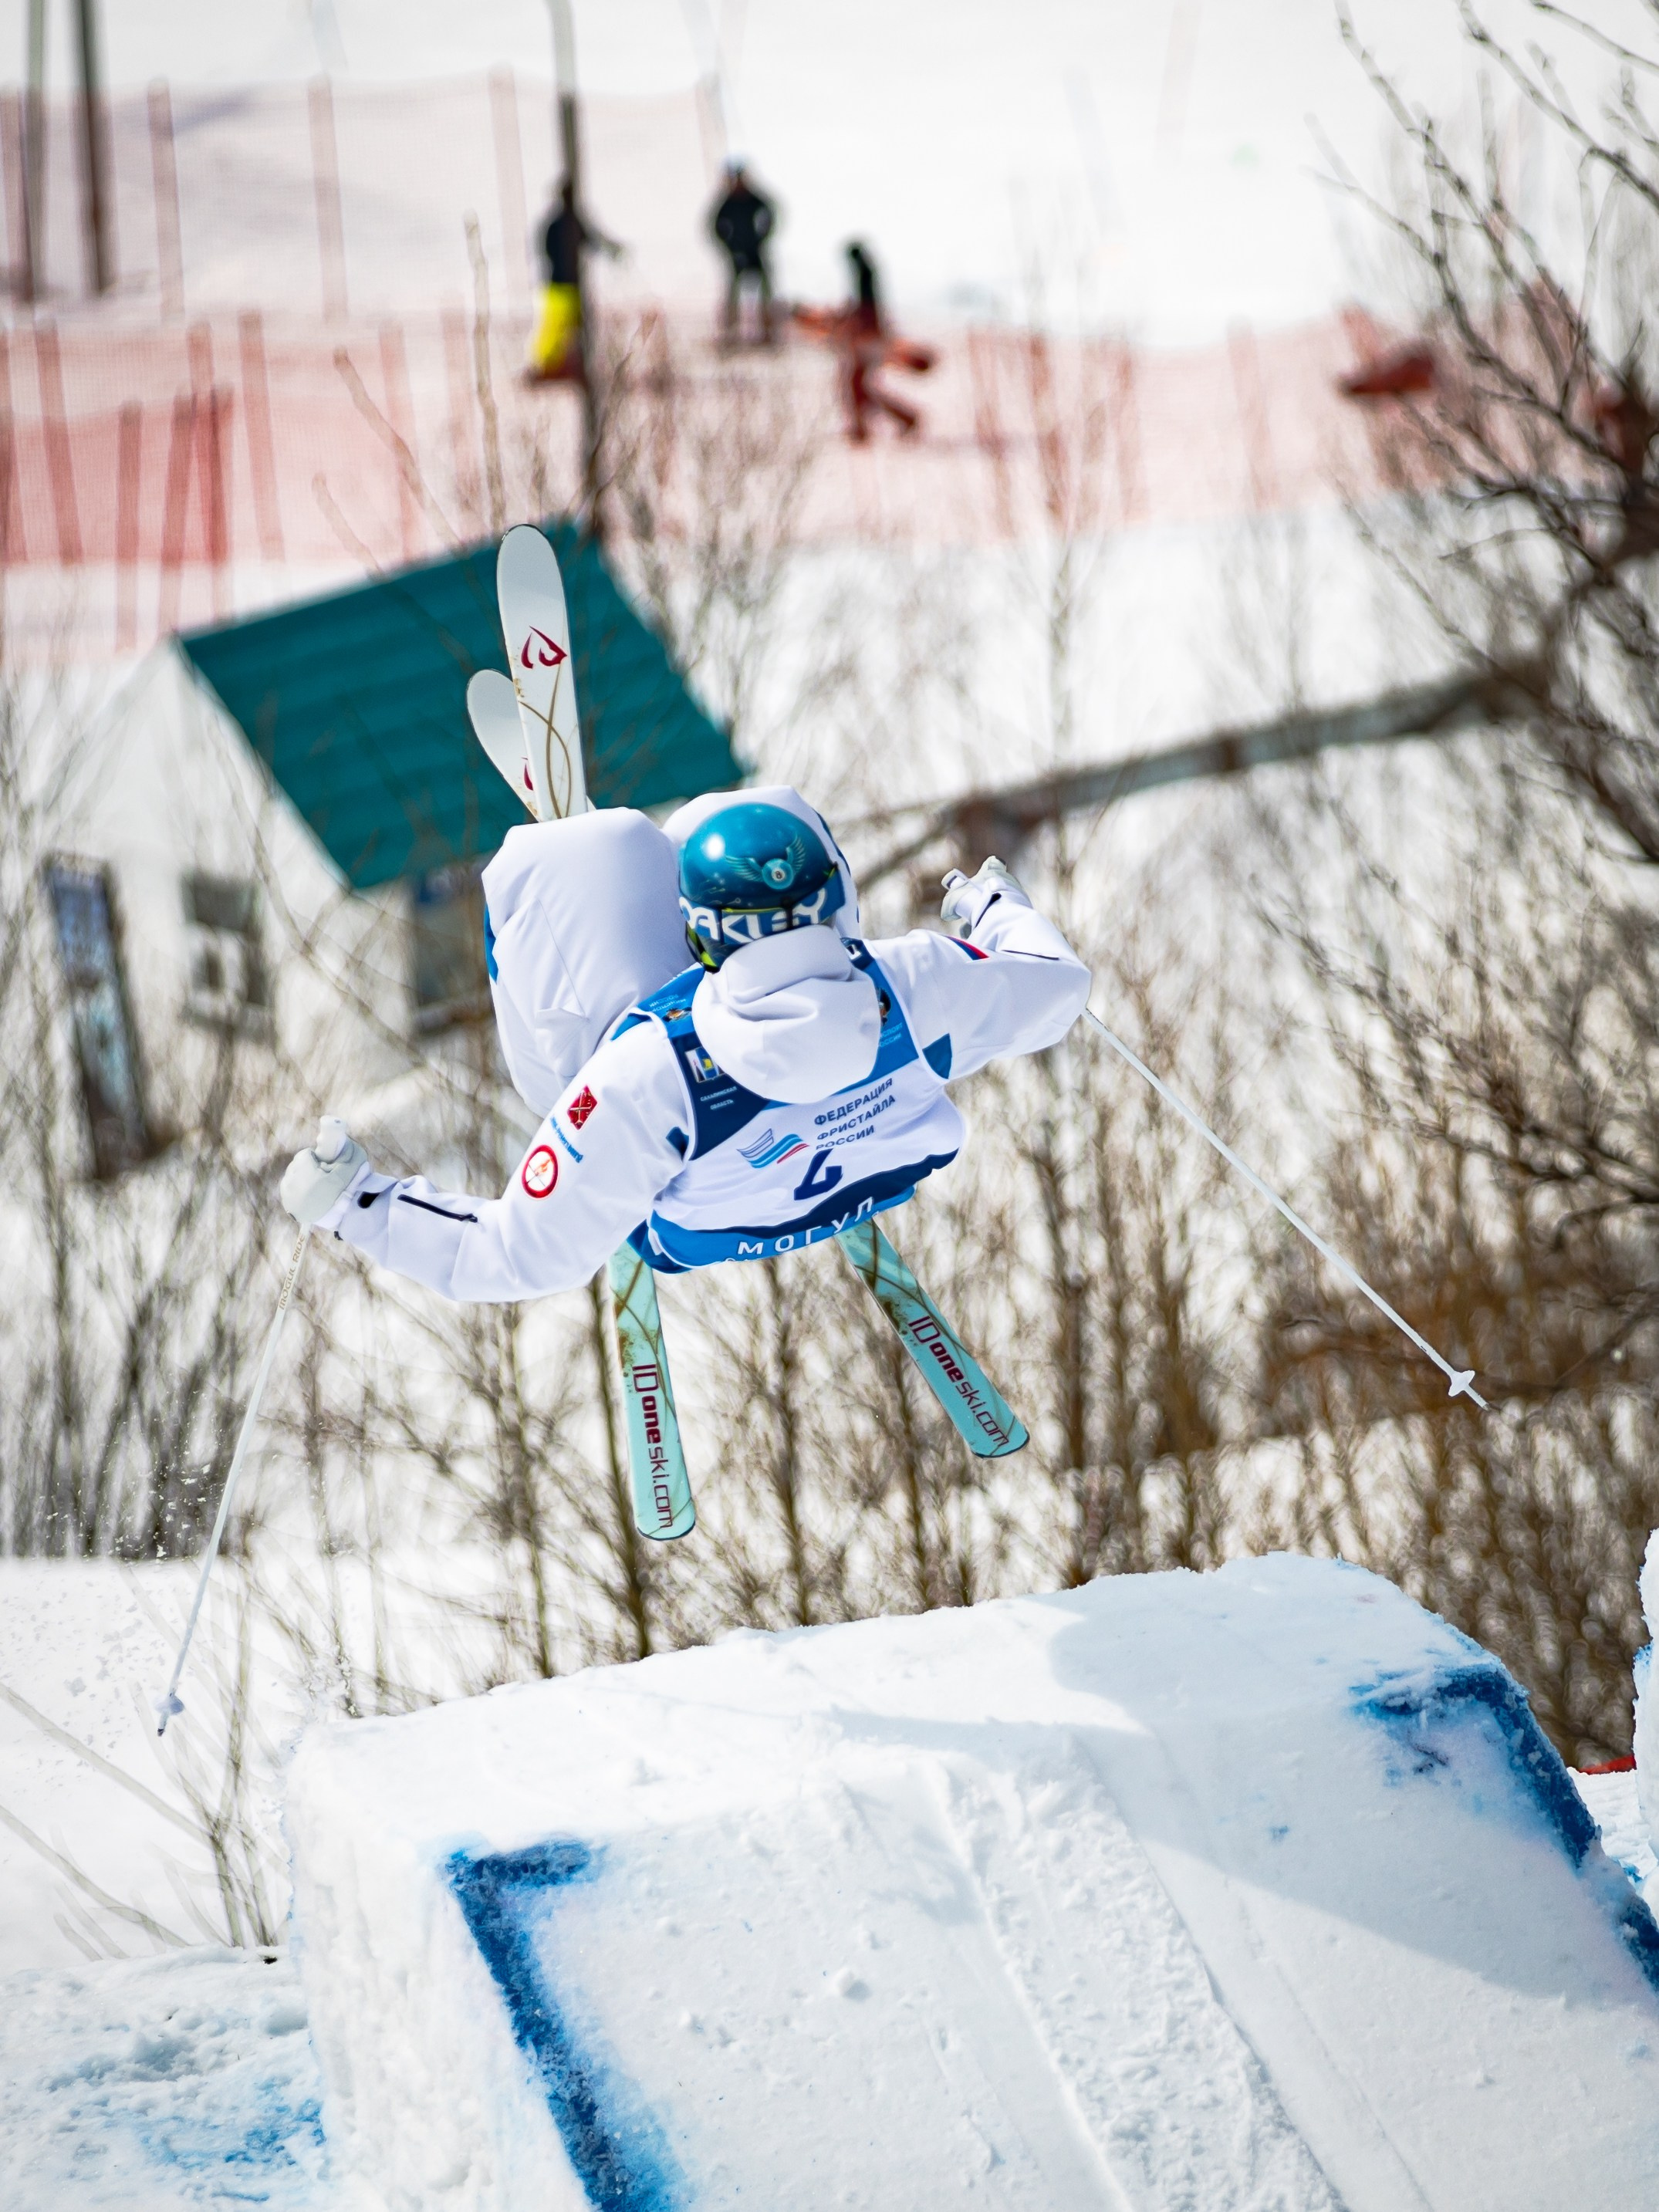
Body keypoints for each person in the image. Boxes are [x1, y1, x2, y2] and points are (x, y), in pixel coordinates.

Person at [279, 790, 1090, 1298]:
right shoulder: (914, 981)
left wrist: (355, 1203)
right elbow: (1054, 986)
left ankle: (580, 879)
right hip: (886, 1166)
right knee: (760, 810)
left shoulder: (644, 1074)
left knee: (579, 859)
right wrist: (992, 909)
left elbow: (512, 1258)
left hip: (698, 1225)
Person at [529, 177, 621, 385]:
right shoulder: (561, 224)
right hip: (560, 285)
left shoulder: (568, 222)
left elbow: (593, 240)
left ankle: (563, 363)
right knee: (555, 325)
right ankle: (545, 364)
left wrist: (612, 251)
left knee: (571, 325)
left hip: (568, 283)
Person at [843, 241, 921, 441]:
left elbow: (869, 308)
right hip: (870, 333)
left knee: (857, 383)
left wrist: (861, 329)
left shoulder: (864, 275)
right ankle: (871, 424)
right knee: (859, 384)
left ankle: (868, 426)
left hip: (869, 335)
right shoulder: (866, 274)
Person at [710, 160, 777, 347]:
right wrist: (728, 245)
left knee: (766, 290)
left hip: (755, 250)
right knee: (733, 292)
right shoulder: (729, 202)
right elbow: (715, 225)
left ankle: (768, 331)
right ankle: (730, 332)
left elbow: (770, 214)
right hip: (736, 252)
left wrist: (761, 239)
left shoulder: (753, 199)